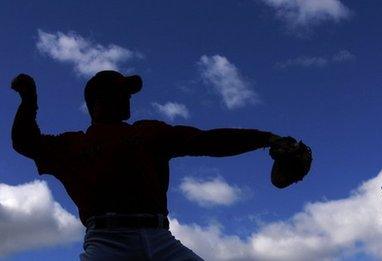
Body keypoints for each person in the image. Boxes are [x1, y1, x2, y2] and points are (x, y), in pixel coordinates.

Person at [10, 70, 296, 260]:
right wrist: (28, 100)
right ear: (98, 101)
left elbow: (207, 141)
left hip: (161, 239)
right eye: (121, 91)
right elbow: (25, 142)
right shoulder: (72, 145)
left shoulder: (149, 132)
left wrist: (266, 138)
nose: (128, 97)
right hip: (107, 242)